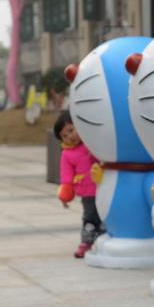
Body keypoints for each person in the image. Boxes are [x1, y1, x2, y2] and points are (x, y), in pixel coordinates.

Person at [54, 110, 103, 258]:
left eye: (71, 130)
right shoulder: (67, 154)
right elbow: (66, 176)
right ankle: (86, 242)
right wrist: (65, 194)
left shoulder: (91, 142)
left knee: (107, 216)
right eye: (64, 136)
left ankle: (105, 238)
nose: (70, 137)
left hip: (104, 187)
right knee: (90, 217)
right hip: (88, 192)